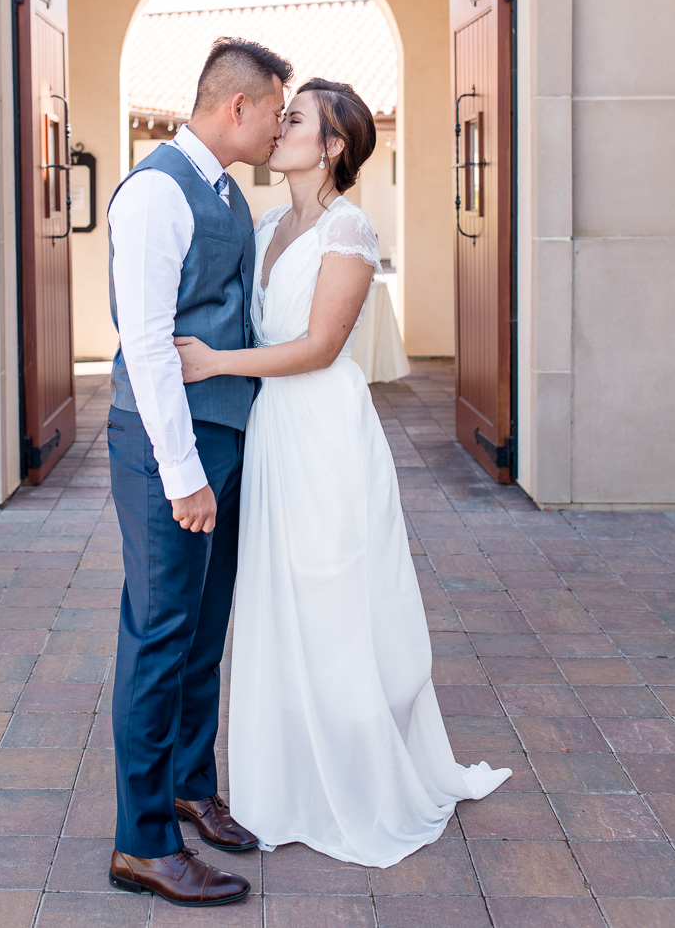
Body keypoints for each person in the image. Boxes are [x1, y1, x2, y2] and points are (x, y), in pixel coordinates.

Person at [176, 78, 511, 868]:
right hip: (272, 434)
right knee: (277, 598)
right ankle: (286, 782)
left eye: (295, 121)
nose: (278, 127)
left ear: (331, 147)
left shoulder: (348, 230)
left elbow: (322, 346)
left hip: (323, 427)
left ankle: (354, 782)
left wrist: (215, 363)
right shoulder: (263, 225)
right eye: (282, 117)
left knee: (333, 600)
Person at [106, 36, 293, 907]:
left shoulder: (223, 191)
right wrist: (182, 471)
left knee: (202, 628)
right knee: (158, 633)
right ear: (237, 108)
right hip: (162, 446)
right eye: (276, 110)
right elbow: (146, 343)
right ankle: (143, 842)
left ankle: (188, 783)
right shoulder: (155, 193)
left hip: (218, 439)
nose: (279, 126)